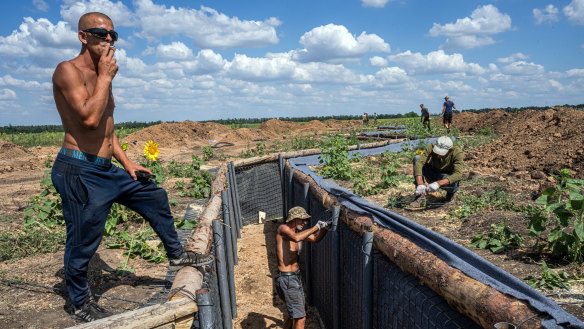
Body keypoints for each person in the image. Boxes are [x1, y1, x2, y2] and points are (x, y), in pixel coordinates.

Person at [51, 12, 213, 322]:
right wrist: (107, 77)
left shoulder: (102, 75)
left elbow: (107, 129)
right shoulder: (67, 71)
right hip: (79, 169)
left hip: (107, 168)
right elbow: (88, 119)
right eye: (101, 33)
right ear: (83, 36)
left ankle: (177, 254)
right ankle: (79, 302)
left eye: (113, 35)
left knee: (153, 195)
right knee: (83, 240)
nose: (109, 39)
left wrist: (127, 163)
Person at [275, 206, 330, 329]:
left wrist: (325, 228)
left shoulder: (295, 234)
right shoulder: (283, 229)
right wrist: (317, 226)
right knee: (300, 317)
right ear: (294, 219)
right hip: (287, 280)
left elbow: (316, 238)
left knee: (294, 313)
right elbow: (297, 238)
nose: (305, 222)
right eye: (302, 219)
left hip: (293, 278)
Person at [412, 136, 464, 204]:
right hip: (433, 173)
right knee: (417, 158)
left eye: (441, 153)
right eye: (437, 152)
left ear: (450, 150)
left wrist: (438, 183)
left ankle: (451, 194)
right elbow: (419, 163)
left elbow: (458, 174)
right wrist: (420, 184)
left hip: (445, 178)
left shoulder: (457, 153)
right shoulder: (432, 146)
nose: (438, 155)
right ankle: (421, 194)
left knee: (453, 180)